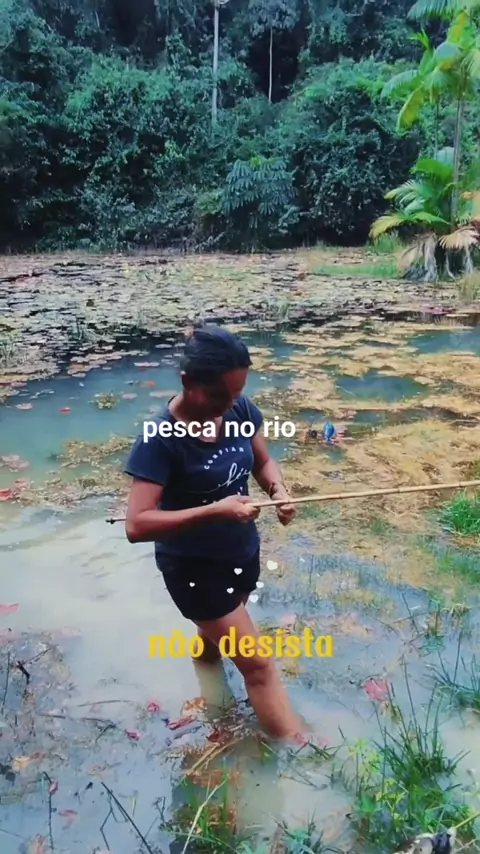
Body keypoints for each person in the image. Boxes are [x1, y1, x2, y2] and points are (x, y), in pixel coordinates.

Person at [124, 324, 305, 743]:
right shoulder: (159, 439)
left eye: (236, 394)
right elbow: (137, 524)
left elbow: (263, 461)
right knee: (258, 665)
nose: (228, 406)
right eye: (219, 396)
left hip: (239, 552)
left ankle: (207, 677)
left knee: (216, 635)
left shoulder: (239, 411)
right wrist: (214, 510)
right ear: (188, 382)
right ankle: (300, 751)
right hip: (194, 570)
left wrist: (277, 490)